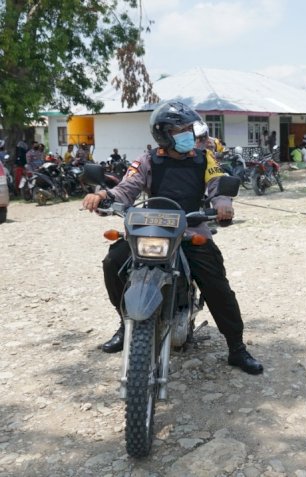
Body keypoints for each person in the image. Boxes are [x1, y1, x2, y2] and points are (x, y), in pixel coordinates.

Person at [81, 101, 263, 375]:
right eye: (182, 129)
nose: (190, 134)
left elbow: (217, 185)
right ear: (165, 134)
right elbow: (126, 189)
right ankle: (126, 322)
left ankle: (236, 347)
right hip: (151, 231)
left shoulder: (204, 158)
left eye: (190, 128)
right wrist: (104, 197)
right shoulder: (146, 160)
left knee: (215, 282)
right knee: (113, 262)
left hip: (190, 229)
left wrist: (224, 203)